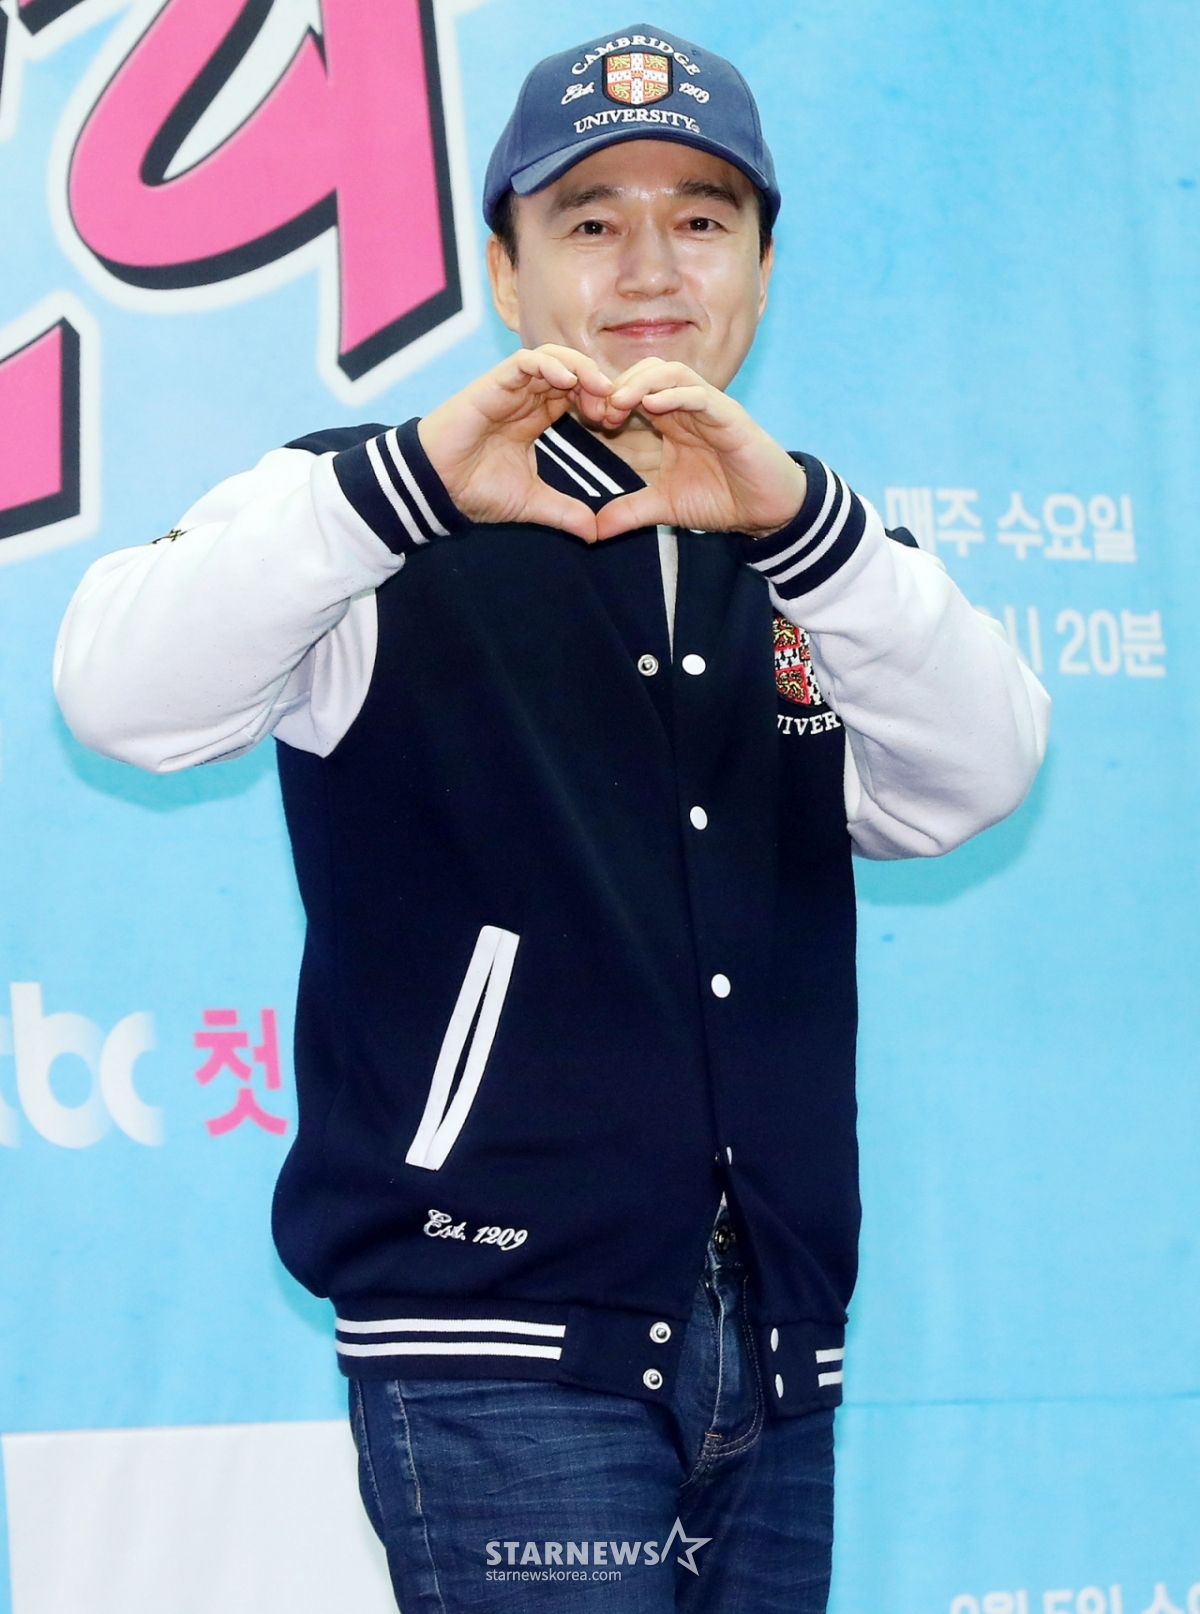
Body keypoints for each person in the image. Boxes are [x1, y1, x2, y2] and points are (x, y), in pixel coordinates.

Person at [55, 22, 1049, 1613]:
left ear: (764, 270)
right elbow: (122, 694)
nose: (650, 263)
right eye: (590, 219)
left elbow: (976, 777)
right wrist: (404, 489)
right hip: (495, 1340)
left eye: (701, 217)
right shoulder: (361, 512)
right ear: (505, 277)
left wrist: (808, 529)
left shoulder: (825, 555)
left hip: (777, 1345)